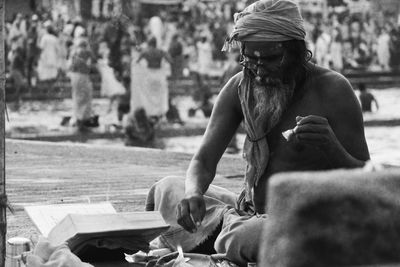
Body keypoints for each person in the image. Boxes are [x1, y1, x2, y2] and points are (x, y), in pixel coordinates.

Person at [145, 1, 370, 266]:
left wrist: (332, 147)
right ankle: (228, 234)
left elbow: (370, 183)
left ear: (297, 51)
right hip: (249, 212)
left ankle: (226, 237)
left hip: (309, 219)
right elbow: (203, 160)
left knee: (248, 236)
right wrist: (193, 193)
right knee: (167, 189)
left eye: (271, 60)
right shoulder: (239, 86)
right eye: (250, 60)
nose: (260, 71)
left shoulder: (333, 89)